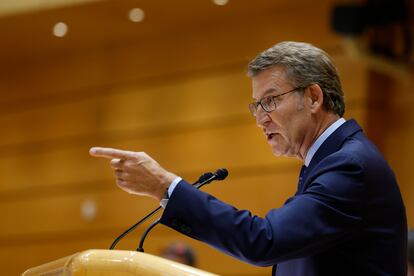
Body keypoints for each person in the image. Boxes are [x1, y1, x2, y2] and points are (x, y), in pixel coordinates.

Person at [89, 41, 407, 275]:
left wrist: (165, 186)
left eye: (270, 101)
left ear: (313, 97)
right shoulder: (327, 163)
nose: (260, 119)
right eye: (256, 105)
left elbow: (264, 241)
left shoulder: (350, 166)